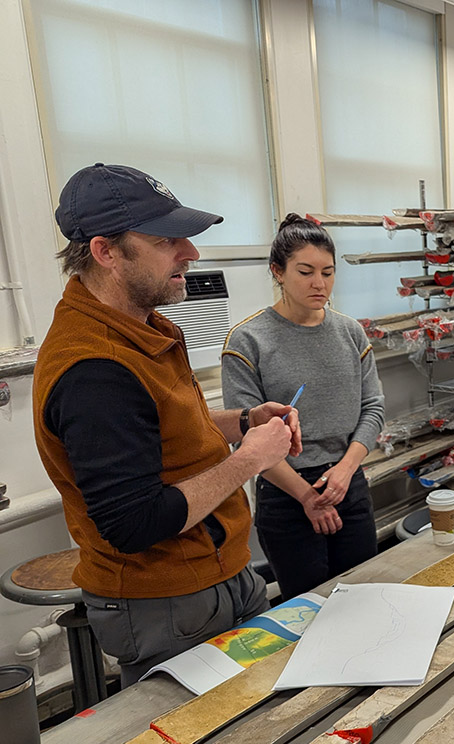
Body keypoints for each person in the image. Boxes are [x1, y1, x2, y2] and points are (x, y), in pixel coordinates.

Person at [32, 163, 301, 685]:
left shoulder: (142, 325)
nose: (191, 253)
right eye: (165, 240)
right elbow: (134, 524)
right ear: (105, 252)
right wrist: (251, 460)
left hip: (218, 574)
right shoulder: (94, 371)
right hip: (167, 603)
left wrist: (241, 422)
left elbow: (167, 429)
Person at [222, 215, 385, 602]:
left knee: (361, 599)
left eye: (328, 272)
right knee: (307, 610)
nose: (319, 284)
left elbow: (374, 407)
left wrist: (346, 471)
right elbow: (247, 437)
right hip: (286, 494)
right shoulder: (248, 341)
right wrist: (306, 497)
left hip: (348, 483)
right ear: (277, 271)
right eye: (306, 272)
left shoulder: (350, 332)